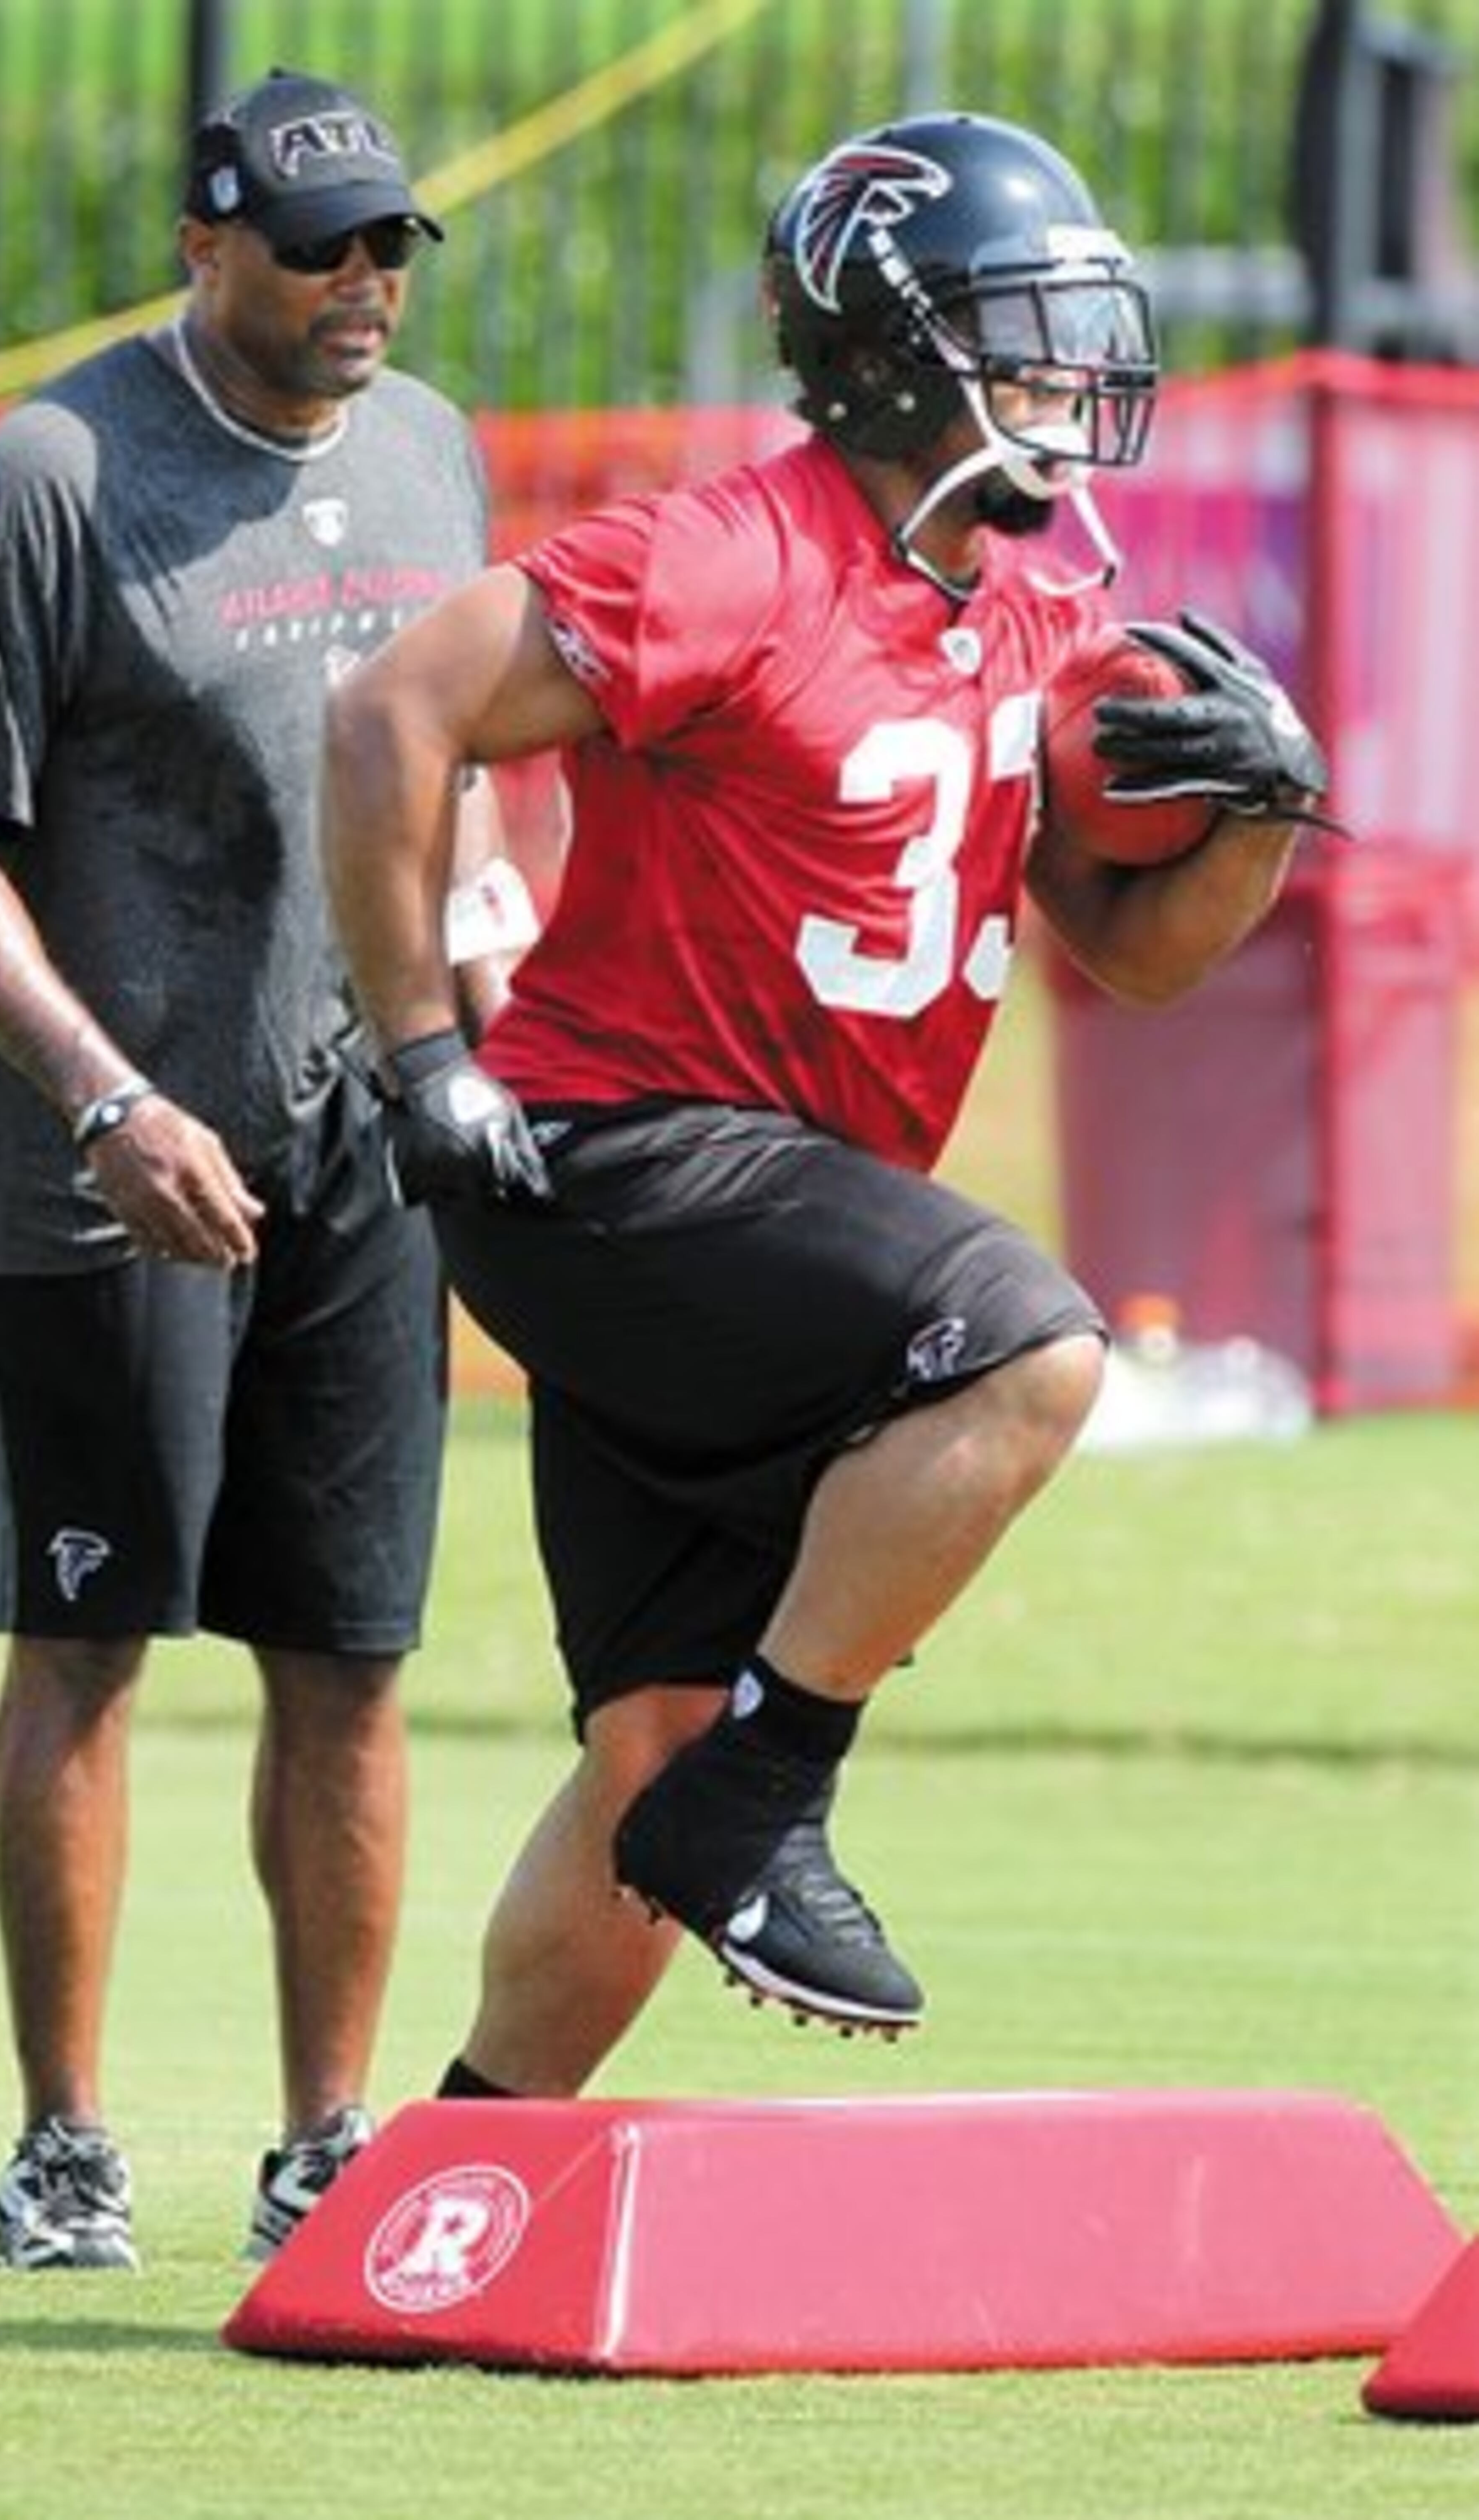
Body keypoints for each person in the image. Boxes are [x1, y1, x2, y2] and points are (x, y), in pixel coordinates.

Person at [320, 113, 1330, 2099]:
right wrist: (423, 1048)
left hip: (756, 1215)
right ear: (892, 345)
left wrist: (1268, 810)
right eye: (1019, 337)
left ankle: (451, 2176)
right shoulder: (723, 554)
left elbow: (1134, 953)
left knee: (651, 1746)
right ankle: (777, 1793)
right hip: (611, 1154)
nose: (1065, 383)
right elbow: (390, 711)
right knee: (1032, 1351)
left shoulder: (1026, 618)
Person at [0, 68, 530, 2268]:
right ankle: (65, 2141)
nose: (363, 286)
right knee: (91, 1636)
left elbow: (461, 741)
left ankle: (327, 2139)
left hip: (359, 1137)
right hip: (104, 1160)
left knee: (347, 1650)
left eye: (387, 249)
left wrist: (488, 900)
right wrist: (98, 1095)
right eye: (319, 247)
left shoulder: (432, 449)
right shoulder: (54, 474)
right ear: (202, 247)